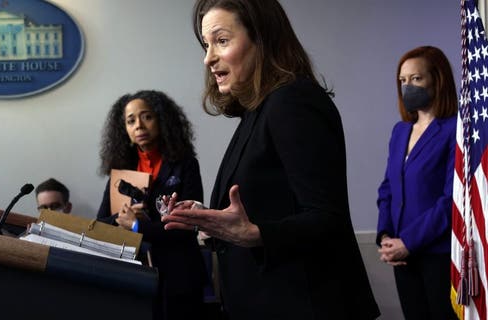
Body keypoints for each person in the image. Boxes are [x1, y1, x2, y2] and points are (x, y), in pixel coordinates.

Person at [161, 1, 380, 319]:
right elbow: (271, 204)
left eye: (222, 41)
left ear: (261, 38)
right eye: (206, 45)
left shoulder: (294, 102)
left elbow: (326, 218)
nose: (208, 58)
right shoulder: (257, 111)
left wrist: (255, 234)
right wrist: (212, 218)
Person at [96, 90, 207, 320]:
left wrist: (138, 226)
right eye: (131, 121)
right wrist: (121, 219)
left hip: (179, 275)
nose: (139, 125)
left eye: (146, 117)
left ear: (162, 120)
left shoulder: (185, 165)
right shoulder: (121, 173)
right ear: (124, 130)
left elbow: (187, 225)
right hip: (133, 275)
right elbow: (99, 224)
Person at [375, 46, 458, 319]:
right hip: (402, 256)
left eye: (416, 79)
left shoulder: (455, 130)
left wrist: (408, 241)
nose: (407, 86)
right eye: (402, 81)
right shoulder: (400, 131)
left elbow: (450, 200)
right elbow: (387, 188)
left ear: (438, 79)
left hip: (438, 254)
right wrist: (386, 236)